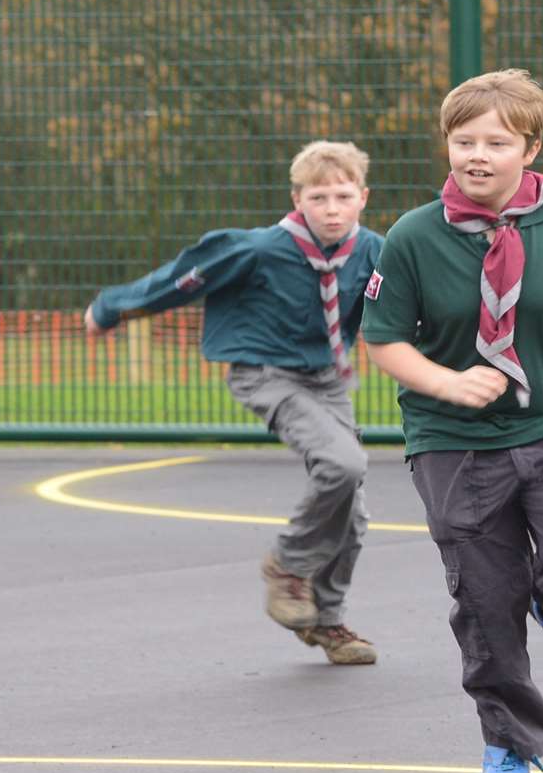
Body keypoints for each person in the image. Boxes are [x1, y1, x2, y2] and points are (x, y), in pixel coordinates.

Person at [86, 141, 383, 665]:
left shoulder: (374, 250)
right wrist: (114, 307)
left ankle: (326, 619)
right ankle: (288, 566)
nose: (332, 209)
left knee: (351, 510)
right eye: (319, 197)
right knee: (343, 462)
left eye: (342, 196)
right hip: (265, 373)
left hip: (328, 380)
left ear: (363, 197)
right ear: (297, 199)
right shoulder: (259, 248)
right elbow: (180, 280)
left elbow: (416, 302)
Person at [364, 69, 543, 773]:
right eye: (463, 139)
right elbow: (384, 339)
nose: (477, 154)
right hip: (454, 438)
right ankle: (509, 741)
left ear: (529, 147)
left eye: (496, 142)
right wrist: (448, 382)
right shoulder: (415, 236)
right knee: (485, 597)